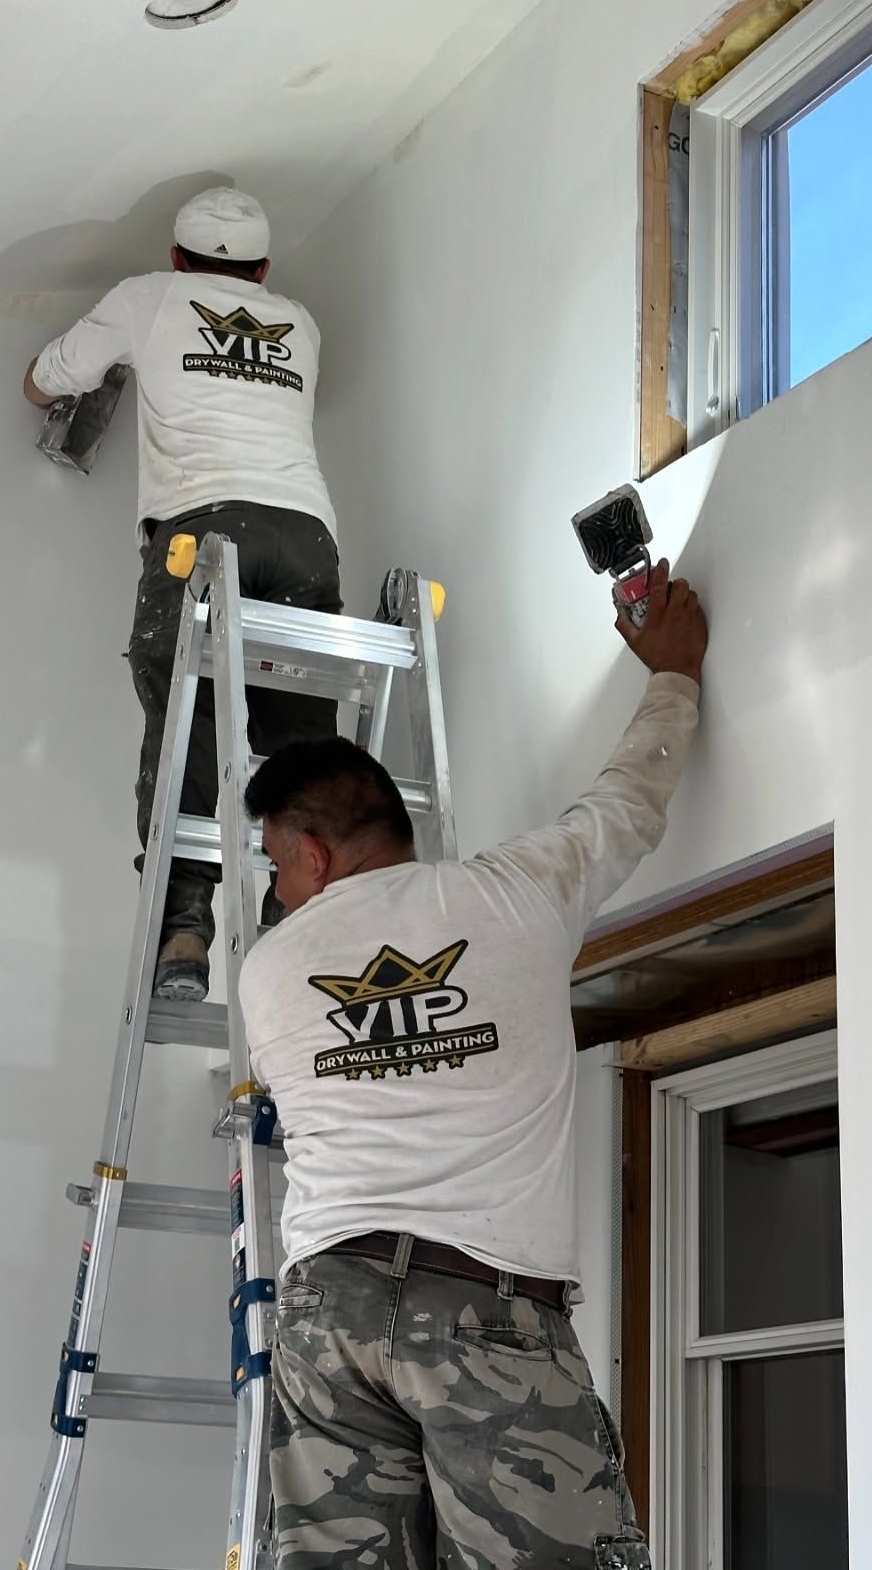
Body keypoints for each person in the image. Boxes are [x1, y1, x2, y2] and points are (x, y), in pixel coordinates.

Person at [239, 560, 708, 1569]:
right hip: (484, 1315)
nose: (278, 893)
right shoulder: (515, 898)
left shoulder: (270, 970)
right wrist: (674, 674)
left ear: (314, 855)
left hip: (329, 1310)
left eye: (277, 866)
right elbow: (627, 802)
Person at [24, 187, 340, 1001]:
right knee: (298, 731)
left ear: (176, 258)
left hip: (204, 534)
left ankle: (185, 929)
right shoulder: (298, 323)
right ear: (264, 270)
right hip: (306, 535)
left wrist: (64, 380)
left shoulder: (148, 296)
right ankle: (293, 904)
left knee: (185, 719)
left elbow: (43, 379)